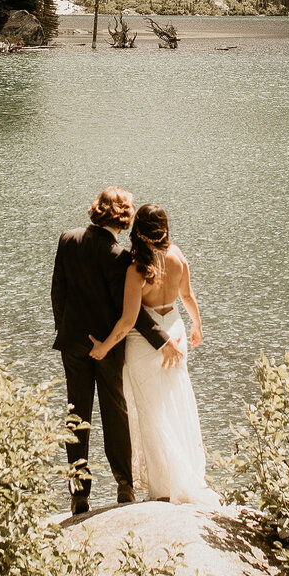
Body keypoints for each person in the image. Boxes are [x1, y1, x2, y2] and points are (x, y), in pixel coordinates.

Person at [50, 186, 173, 515]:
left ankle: (79, 493)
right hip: (108, 346)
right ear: (123, 218)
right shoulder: (120, 257)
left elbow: (57, 292)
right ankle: (124, 484)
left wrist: (65, 330)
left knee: (76, 416)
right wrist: (163, 338)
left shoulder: (67, 239)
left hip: (74, 343)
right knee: (114, 413)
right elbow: (130, 314)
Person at [89, 203, 214, 504]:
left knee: (150, 412)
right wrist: (197, 324)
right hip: (175, 330)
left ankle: (162, 488)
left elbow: (129, 321)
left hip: (146, 345)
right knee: (176, 405)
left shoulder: (138, 269)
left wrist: (104, 347)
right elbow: (188, 296)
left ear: (138, 232)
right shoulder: (178, 256)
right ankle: (184, 477)